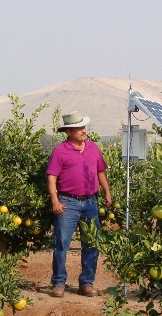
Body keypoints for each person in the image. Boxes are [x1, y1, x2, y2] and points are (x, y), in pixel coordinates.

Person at [46, 111, 112, 298]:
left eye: (84, 127)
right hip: (67, 203)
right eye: (79, 128)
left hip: (90, 202)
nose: (84, 130)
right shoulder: (60, 151)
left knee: (92, 243)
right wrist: (55, 200)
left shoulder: (93, 148)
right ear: (69, 132)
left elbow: (100, 172)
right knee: (62, 244)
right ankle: (59, 283)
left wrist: (107, 192)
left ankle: (86, 283)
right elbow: (52, 177)